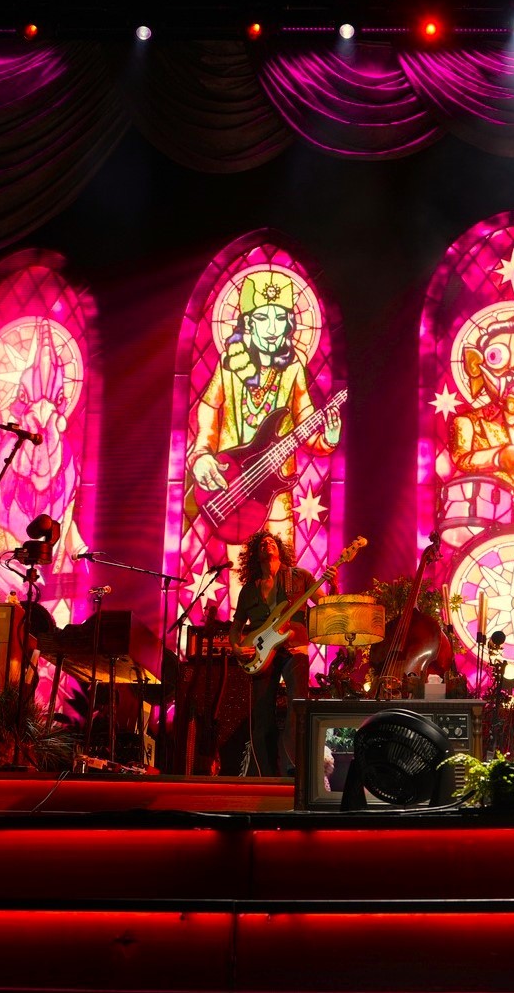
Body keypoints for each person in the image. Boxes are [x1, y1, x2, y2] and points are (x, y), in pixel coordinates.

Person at [187, 270, 341, 551]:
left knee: (283, 571)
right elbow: (208, 408)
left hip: (275, 490)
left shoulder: (294, 367)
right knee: (236, 570)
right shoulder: (228, 364)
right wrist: (201, 456)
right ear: (247, 323)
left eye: (280, 318)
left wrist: (328, 438)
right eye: (262, 318)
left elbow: (305, 423)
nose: (272, 329)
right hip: (229, 482)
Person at [230, 529, 321, 776]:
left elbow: (324, 601)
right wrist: (237, 647)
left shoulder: (299, 576)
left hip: (294, 647)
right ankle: (267, 775)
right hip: (261, 653)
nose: (267, 544)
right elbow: (236, 627)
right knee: (262, 716)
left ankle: (295, 769)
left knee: (297, 706)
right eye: (261, 543)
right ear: (254, 555)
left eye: (271, 542)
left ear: (280, 549)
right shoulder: (248, 590)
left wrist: (332, 582)